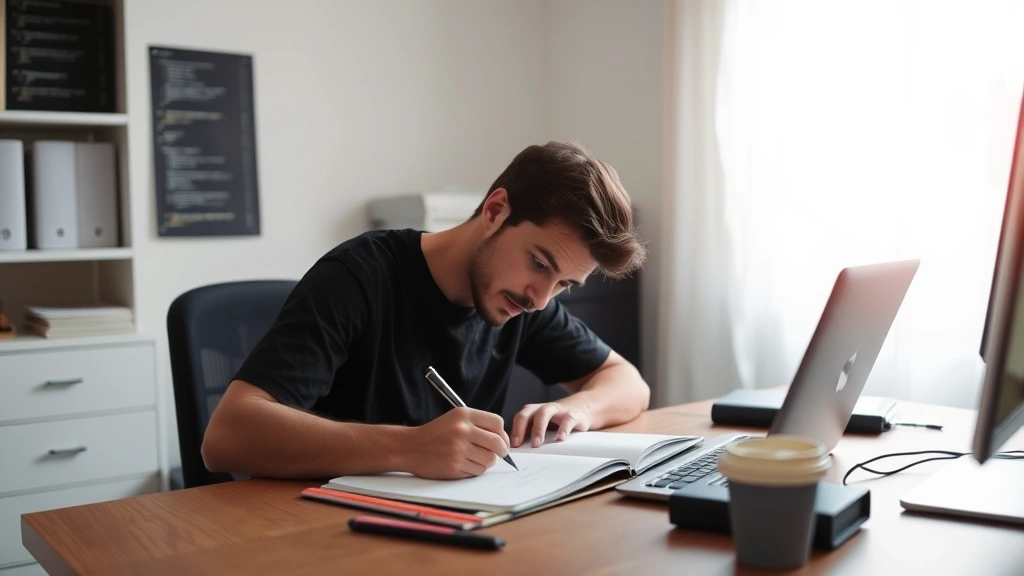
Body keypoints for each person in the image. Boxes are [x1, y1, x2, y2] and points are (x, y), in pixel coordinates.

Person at [202, 141, 650, 481]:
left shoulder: (522, 300)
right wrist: (408, 448)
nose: (540, 299)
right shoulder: (359, 276)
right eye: (539, 263)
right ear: (496, 210)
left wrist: (579, 410)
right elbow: (227, 437)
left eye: (564, 285)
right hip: (320, 534)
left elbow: (628, 383)